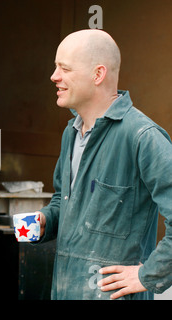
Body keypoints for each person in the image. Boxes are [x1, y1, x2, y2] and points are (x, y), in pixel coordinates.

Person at [36, 29, 172, 299]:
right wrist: (45, 221)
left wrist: (148, 275)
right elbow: (65, 204)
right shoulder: (71, 133)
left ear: (98, 75)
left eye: (64, 68)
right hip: (64, 291)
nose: (54, 76)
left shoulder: (142, 137)